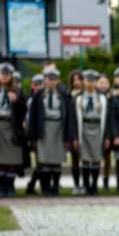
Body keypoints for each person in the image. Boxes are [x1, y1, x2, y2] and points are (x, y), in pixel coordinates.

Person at [27, 68, 76, 196]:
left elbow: (68, 115)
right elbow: (33, 116)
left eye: (54, 79)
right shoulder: (38, 95)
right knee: (44, 160)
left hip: (58, 128)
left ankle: (55, 186)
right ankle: (45, 187)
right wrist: (33, 134)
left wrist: (68, 135)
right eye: (49, 79)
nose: (52, 82)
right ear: (45, 80)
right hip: (44, 128)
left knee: (56, 160)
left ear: (58, 81)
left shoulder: (63, 95)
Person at [0, 62, 28, 197]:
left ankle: (10, 187)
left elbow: (24, 111)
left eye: (8, 74)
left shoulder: (17, 90)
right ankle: (1, 187)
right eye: (2, 74)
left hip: (12, 127)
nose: (5, 77)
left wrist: (16, 102)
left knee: (12, 160)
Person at [72, 70, 109, 195]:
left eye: (93, 81)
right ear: (84, 82)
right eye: (88, 81)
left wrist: (106, 136)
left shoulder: (102, 98)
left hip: (97, 128)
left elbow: (107, 118)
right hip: (84, 128)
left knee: (96, 158)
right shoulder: (79, 98)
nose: (90, 84)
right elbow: (74, 119)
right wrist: (75, 137)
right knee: (85, 158)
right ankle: (86, 185)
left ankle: (94, 185)